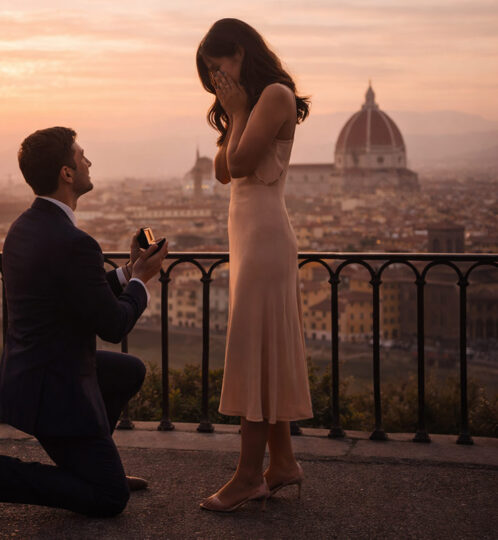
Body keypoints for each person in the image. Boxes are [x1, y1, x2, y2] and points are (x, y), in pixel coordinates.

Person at [0, 126, 168, 523]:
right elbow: (113, 325)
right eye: (82, 155)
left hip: (32, 373)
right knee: (109, 497)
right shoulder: (73, 241)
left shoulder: (25, 227)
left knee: (128, 371)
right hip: (54, 387)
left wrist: (127, 271)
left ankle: (94, 464)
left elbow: (78, 291)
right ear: (67, 172)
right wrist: (141, 281)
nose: (88, 161)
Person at [195, 18, 313, 513]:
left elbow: (242, 166)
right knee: (265, 350)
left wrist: (239, 109)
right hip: (247, 239)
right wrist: (234, 113)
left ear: (239, 52)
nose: (215, 79)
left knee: (254, 350)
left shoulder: (277, 96)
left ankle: (248, 477)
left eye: (216, 66)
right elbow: (222, 171)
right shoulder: (246, 105)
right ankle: (282, 464)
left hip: (265, 240)